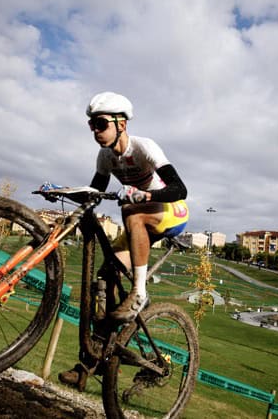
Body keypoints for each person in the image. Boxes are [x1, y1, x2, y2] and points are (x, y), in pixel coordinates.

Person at [58, 91, 189, 388]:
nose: (95, 131)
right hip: (139, 220)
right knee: (105, 277)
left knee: (131, 211)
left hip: (171, 212)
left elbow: (180, 189)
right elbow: (94, 194)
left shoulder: (144, 148)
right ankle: (93, 362)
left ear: (121, 124)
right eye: (91, 125)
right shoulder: (105, 157)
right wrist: (62, 192)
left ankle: (139, 294)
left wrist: (146, 195)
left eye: (101, 124)